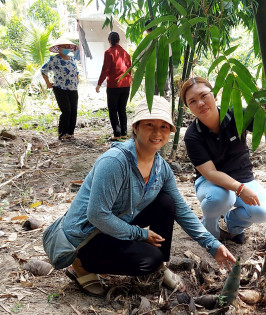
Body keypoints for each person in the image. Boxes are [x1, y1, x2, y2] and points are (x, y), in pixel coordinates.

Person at [42, 95, 235, 297]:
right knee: (147, 260)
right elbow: (97, 215)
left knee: (166, 203)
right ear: (136, 127)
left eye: (163, 127)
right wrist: (140, 234)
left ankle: (159, 265)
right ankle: (82, 264)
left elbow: (180, 209)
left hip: (116, 223)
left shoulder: (161, 168)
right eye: (149, 124)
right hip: (86, 235)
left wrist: (213, 245)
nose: (156, 132)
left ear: (170, 131)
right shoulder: (115, 162)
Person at [181, 77, 266, 244]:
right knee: (221, 197)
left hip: (243, 178)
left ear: (214, 95)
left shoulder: (237, 115)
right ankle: (210, 228)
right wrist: (239, 189)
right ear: (188, 108)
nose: (200, 103)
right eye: (192, 101)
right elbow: (210, 173)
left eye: (204, 96)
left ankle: (233, 225)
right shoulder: (192, 135)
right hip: (210, 183)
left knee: (264, 211)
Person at [41, 38, 79, 141]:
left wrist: (77, 81)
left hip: (73, 89)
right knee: (66, 111)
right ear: (58, 48)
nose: (66, 48)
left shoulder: (72, 59)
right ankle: (62, 134)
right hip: (60, 88)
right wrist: (48, 83)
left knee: (74, 111)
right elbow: (44, 70)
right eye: (64, 47)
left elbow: (76, 73)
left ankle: (70, 133)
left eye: (68, 47)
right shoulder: (54, 59)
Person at [96, 32, 132, 141]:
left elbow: (105, 69)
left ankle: (117, 134)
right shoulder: (126, 53)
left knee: (113, 110)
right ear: (119, 40)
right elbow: (129, 68)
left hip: (114, 85)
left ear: (109, 41)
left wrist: (99, 83)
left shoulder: (109, 52)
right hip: (126, 85)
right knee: (122, 109)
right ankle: (124, 134)